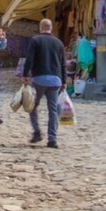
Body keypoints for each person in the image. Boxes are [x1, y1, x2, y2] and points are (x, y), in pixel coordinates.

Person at [23, 18, 67, 148]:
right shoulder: (59, 43)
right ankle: (52, 139)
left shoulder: (35, 40)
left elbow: (29, 59)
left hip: (39, 79)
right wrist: (64, 81)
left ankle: (37, 132)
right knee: (53, 110)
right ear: (51, 28)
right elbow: (63, 64)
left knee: (32, 106)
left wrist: (25, 74)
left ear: (40, 27)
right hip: (55, 80)